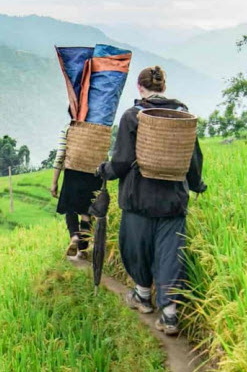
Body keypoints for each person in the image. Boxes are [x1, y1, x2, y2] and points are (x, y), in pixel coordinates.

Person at [97, 65, 207, 336]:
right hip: (173, 201)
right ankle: (169, 315)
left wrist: (104, 171)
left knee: (137, 249)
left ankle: (142, 296)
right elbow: (192, 158)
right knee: (170, 255)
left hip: (139, 199)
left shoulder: (133, 116)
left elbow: (121, 161)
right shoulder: (182, 116)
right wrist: (197, 185)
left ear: (139, 87)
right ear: (163, 87)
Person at [50, 123, 103, 259]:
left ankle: (74, 236)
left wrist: (54, 182)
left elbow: (60, 154)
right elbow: (104, 154)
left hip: (73, 172)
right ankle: (83, 249)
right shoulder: (99, 129)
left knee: (70, 208)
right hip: (93, 173)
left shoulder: (69, 127)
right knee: (86, 212)